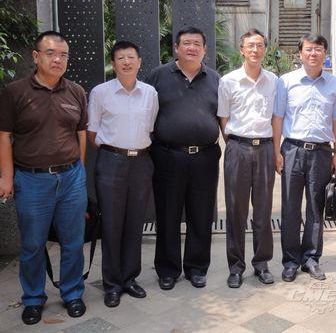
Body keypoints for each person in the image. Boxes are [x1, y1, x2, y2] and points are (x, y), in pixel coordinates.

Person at [0, 31, 88, 324]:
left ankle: (72, 293)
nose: (58, 60)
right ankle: (33, 298)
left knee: (73, 242)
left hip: (71, 178)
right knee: (33, 244)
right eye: (51, 53)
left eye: (63, 55)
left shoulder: (76, 91)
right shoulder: (15, 92)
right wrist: (6, 178)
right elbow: (4, 135)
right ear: (36, 56)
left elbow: (81, 134)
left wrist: (81, 171)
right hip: (32, 180)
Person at [146, 27, 221, 290]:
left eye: (197, 43)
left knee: (201, 214)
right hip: (168, 156)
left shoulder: (215, 79)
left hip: (205, 157)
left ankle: (197, 267)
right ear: (176, 47)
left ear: (205, 50)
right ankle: (167, 269)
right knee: (167, 214)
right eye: (186, 43)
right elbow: (146, 113)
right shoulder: (158, 76)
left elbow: (223, 116)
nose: (192, 48)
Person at [87, 41, 159, 307]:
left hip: (141, 161)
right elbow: (92, 133)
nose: (126, 62)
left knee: (135, 222)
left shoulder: (150, 93)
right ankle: (112, 284)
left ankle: (130, 278)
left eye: (131, 57)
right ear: (113, 63)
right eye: (120, 58)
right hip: (111, 162)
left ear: (139, 62)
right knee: (111, 224)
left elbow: (151, 128)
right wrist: (115, 151)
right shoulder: (100, 92)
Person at [273, 33, 336, 282]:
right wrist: (276, 151)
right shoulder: (286, 81)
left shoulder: (335, 84)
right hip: (292, 150)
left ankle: (311, 259)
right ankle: (290, 261)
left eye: (318, 49)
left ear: (325, 53)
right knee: (290, 208)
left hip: (322, 152)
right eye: (309, 49)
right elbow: (278, 118)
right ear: (300, 53)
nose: (313, 53)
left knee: (316, 207)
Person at [218, 29, 277, 288]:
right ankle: (236, 267)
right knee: (236, 211)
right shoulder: (228, 81)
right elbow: (223, 118)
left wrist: (276, 151)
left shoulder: (274, 81)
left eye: (260, 45)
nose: (255, 50)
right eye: (250, 45)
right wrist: (236, 144)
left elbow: (276, 118)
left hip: (265, 149)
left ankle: (261, 264)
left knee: (263, 210)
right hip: (238, 148)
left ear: (265, 49)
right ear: (241, 49)